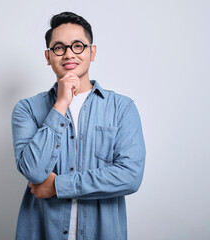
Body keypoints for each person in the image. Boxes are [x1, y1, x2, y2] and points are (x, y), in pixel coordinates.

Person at [11, 11, 146, 240]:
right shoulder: (27, 110)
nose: (68, 54)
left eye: (77, 46)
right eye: (59, 48)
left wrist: (58, 186)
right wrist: (61, 104)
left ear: (91, 52)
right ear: (48, 56)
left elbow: (130, 176)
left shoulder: (122, 108)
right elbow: (33, 170)